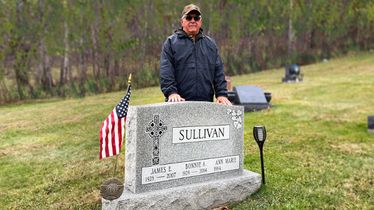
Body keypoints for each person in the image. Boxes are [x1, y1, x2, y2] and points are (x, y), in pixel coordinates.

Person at [160, 4, 231, 105]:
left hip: (205, 104)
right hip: (178, 103)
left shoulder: (210, 44)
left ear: (200, 21)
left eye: (196, 18)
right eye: (189, 17)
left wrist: (221, 94)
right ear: (182, 22)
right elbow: (166, 71)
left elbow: (218, 72)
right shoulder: (171, 43)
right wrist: (172, 93)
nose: (193, 20)